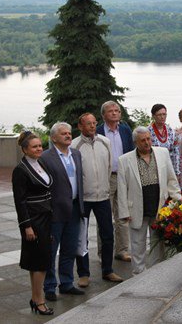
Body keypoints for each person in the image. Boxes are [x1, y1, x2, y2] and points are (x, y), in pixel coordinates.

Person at [116, 127, 182, 275]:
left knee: (157, 243)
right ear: (135, 142)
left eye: (148, 139)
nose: (147, 143)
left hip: (158, 206)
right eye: (143, 140)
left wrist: (178, 200)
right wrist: (124, 212)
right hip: (137, 208)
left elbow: (171, 179)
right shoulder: (124, 160)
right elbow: (121, 188)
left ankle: (156, 274)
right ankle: (138, 275)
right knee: (137, 244)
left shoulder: (162, 153)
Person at [72, 113, 123, 288]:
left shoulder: (104, 142)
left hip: (102, 196)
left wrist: (104, 187)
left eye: (94, 123)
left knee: (107, 234)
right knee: (82, 237)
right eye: (88, 124)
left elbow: (109, 166)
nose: (93, 126)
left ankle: (107, 270)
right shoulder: (74, 146)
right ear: (80, 126)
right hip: (84, 199)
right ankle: (83, 273)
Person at [41, 122, 85, 300]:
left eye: (69, 133)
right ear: (53, 138)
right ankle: (49, 286)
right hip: (55, 211)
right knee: (51, 250)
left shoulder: (76, 154)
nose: (68, 135)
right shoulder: (46, 157)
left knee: (70, 248)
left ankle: (66, 283)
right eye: (63, 134)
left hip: (74, 208)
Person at [12, 131, 54, 315]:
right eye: (35, 146)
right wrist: (26, 226)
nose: (39, 149)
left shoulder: (40, 163)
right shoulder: (20, 170)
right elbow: (20, 201)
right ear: (25, 149)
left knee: (37, 261)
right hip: (34, 221)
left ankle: (35, 298)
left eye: (40, 145)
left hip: (46, 217)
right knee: (41, 262)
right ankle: (40, 301)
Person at [96, 100, 133, 263]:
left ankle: (122, 250)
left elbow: (132, 152)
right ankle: (103, 251)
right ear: (103, 115)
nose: (114, 113)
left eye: (117, 110)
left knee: (123, 214)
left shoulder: (125, 130)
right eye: (111, 111)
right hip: (106, 177)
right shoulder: (98, 132)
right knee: (104, 215)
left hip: (123, 176)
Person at [148, 104, 180, 176]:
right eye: (159, 115)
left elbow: (176, 152)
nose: (162, 117)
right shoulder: (148, 132)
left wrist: (176, 171)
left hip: (168, 168)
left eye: (164, 114)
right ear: (153, 116)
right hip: (153, 170)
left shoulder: (171, 131)